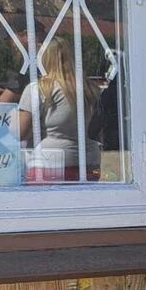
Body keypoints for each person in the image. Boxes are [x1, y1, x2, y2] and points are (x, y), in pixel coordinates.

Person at [17, 38, 102, 182]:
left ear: (44, 58)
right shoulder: (90, 89)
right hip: (89, 161)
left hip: (49, 161)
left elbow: (19, 132)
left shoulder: (38, 88)